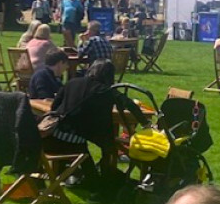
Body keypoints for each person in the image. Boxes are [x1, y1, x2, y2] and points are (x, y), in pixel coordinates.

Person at [46, 59, 147, 187]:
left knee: (88, 144)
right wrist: (146, 123)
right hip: (72, 139)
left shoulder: (72, 82)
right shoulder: (105, 91)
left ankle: (88, 178)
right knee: (108, 146)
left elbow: (55, 106)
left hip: (53, 134)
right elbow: (129, 104)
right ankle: (104, 178)